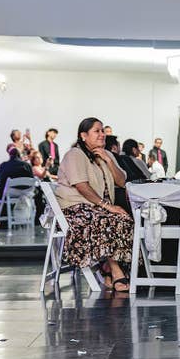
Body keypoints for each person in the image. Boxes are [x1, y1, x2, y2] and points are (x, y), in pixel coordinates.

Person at [54, 118, 131, 292]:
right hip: (74, 208)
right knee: (105, 218)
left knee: (124, 217)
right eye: (97, 131)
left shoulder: (106, 154)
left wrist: (109, 160)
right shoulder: (74, 154)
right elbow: (81, 186)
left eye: (103, 130)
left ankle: (107, 268)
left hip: (97, 208)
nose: (102, 134)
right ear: (83, 135)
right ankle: (116, 270)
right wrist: (108, 206)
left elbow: (122, 181)